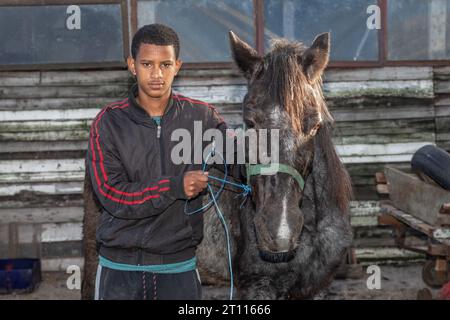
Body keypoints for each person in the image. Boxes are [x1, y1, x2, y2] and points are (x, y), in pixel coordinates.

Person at [86, 23, 243, 300]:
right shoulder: (108, 123)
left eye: (165, 64)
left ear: (178, 66)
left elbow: (242, 162)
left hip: (178, 269)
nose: (157, 74)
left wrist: (274, 147)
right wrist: (175, 187)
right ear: (132, 65)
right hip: (119, 270)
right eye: (147, 64)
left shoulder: (202, 118)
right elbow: (112, 195)